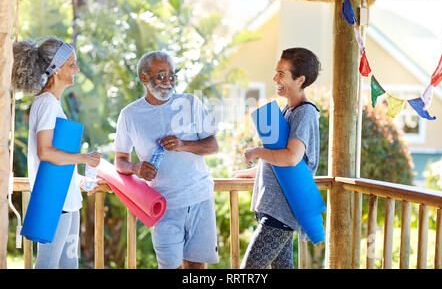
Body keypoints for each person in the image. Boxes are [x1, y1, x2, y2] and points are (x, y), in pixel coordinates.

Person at [114, 50, 220, 269]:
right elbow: (120, 160)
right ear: (144, 77)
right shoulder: (129, 115)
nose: (168, 81)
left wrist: (184, 145)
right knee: (170, 266)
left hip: (200, 198)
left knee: (196, 267)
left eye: (172, 76)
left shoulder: (190, 102)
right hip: (162, 205)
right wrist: (136, 168)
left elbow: (213, 145)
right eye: (161, 75)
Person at [11, 36, 103, 269]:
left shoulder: (52, 103)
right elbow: (46, 152)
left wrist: (77, 178)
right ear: (56, 69)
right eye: (72, 63)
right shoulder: (47, 104)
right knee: (48, 265)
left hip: (68, 199)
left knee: (69, 264)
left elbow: (55, 157)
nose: (77, 68)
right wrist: (85, 158)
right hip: (55, 202)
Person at [234, 47, 321, 269]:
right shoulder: (288, 110)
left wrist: (257, 152)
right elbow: (281, 164)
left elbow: (292, 158)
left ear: (300, 79)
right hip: (275, 210)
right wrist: (252, 172)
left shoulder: (305, 112)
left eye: (282, 74)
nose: (275, 78)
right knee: (282, 266)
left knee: (248, 271)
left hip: (281, 213)